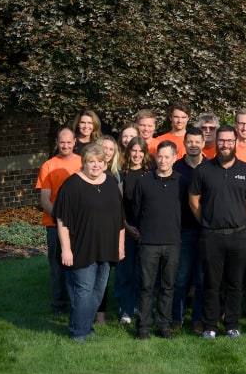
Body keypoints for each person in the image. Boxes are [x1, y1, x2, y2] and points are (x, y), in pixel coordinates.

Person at [189, 125, 246, 339]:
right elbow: (194, 201)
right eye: (222, 141)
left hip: (238, 235)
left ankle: (231, 325)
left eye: (229, 141)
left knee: (235, 283)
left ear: (235, 142)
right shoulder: (203, 170)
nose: (225, 145)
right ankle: (210, 326)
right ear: (216, 142)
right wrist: (208, 221)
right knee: (211, 283)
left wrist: (238, 219)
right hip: (211, 236)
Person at [53, 143, 125, 343]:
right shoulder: (71, 185)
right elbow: (62, 221)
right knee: (83, 291)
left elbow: (119, 219)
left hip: (107, 247)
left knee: (98, 290)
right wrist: (66, 250)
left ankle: (86, 325)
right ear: (83, 162)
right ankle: (78, 332)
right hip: (80, 247)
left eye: (100, 162)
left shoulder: (110, 183)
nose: (95, 166)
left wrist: (120, 246)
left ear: (105, 163)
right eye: (91, 161)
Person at [129, 141, 183, 339]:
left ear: (174, 158)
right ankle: (143, 327)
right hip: (149, 242)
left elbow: (185, 210)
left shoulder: (181, 181)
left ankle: (164, 326)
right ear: (155, 157)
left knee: (168, 287)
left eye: (167, 157)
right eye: (160, 156)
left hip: (173, 242)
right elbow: (136, 210)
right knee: (146, 287)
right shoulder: (143, 182)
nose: (163, 160)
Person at [38, 127, 82, 315]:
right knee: (57, 267)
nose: (65, 145)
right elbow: (44, 199)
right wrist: (61, 218)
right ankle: (59, 305)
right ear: (57, 142)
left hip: (80, 224)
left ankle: (77, 304)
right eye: (61, 142)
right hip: (54, 225)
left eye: (68, 142)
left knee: (78, 265)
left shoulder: (83, 163)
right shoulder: (48, 166)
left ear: (74, 143)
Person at [172, 127, 207, 332]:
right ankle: (177, 317)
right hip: (182, 230)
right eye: (190, 141)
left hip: (205, 231)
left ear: (203, 143)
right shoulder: (176, 169)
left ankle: (198, 319)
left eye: (197, 141)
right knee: (181, 277)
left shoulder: (211, 168)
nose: (193, 145)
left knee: (202, 278)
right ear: (184, 144)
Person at [114, 136, 152, 325]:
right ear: (128, 152)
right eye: (133, 150)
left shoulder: (151, 173)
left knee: (144, 273)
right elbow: (116, 206)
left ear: (145, 154)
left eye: (140, 151)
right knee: (127, 272)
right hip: (127, 230)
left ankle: (142, 308)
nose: (136, 154)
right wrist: (127, 227)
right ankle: (126, 311)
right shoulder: (122, 174)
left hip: (148, 231)